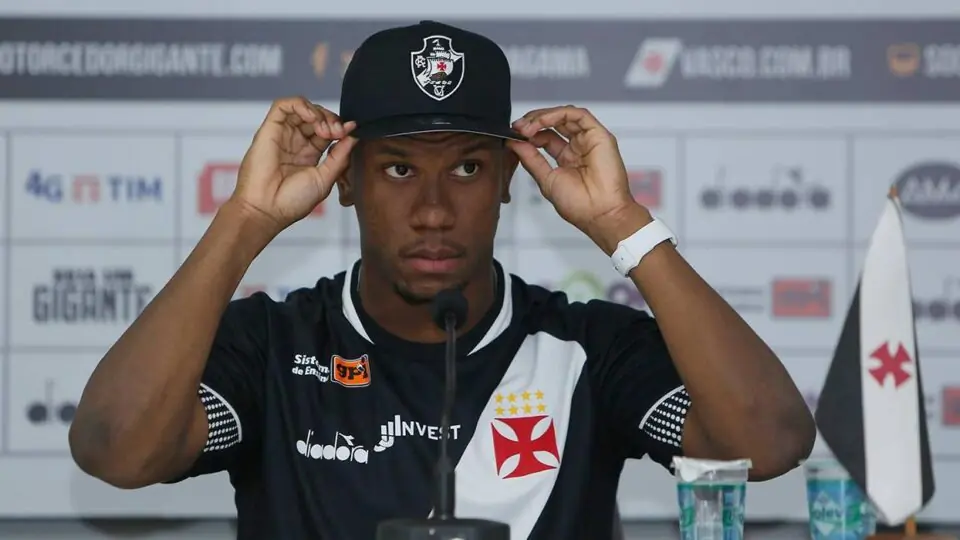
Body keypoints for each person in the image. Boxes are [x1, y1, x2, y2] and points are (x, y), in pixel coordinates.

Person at [67, 20, 815, 539]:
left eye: (466, 168)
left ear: (509, 182)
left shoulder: (588, 348)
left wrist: (624, 223)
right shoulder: (274, 346)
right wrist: (245, 221)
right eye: (398, 169)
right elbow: (116, 449)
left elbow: (770, 442)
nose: (433, 211)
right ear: (345, 181)